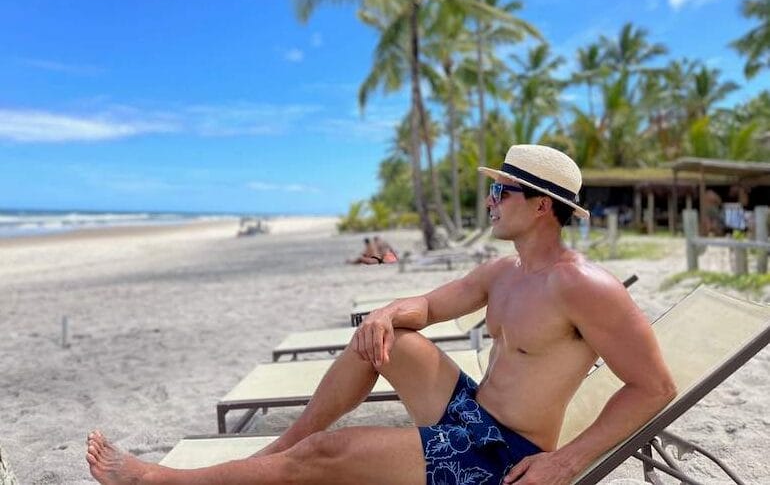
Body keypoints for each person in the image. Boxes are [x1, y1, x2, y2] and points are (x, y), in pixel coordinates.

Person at [86, 144, 677, 485]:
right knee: (383, 336)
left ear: (542, 205)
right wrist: (387, 312)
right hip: (472, 411)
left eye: (501, 193)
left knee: (329, 457)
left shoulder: (584, 287)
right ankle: (280, 448)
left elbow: (654, 386)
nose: (490, 202)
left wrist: (566, 462)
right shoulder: (506, 272)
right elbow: (427, 306)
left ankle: (162, 482)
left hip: (501, 452)